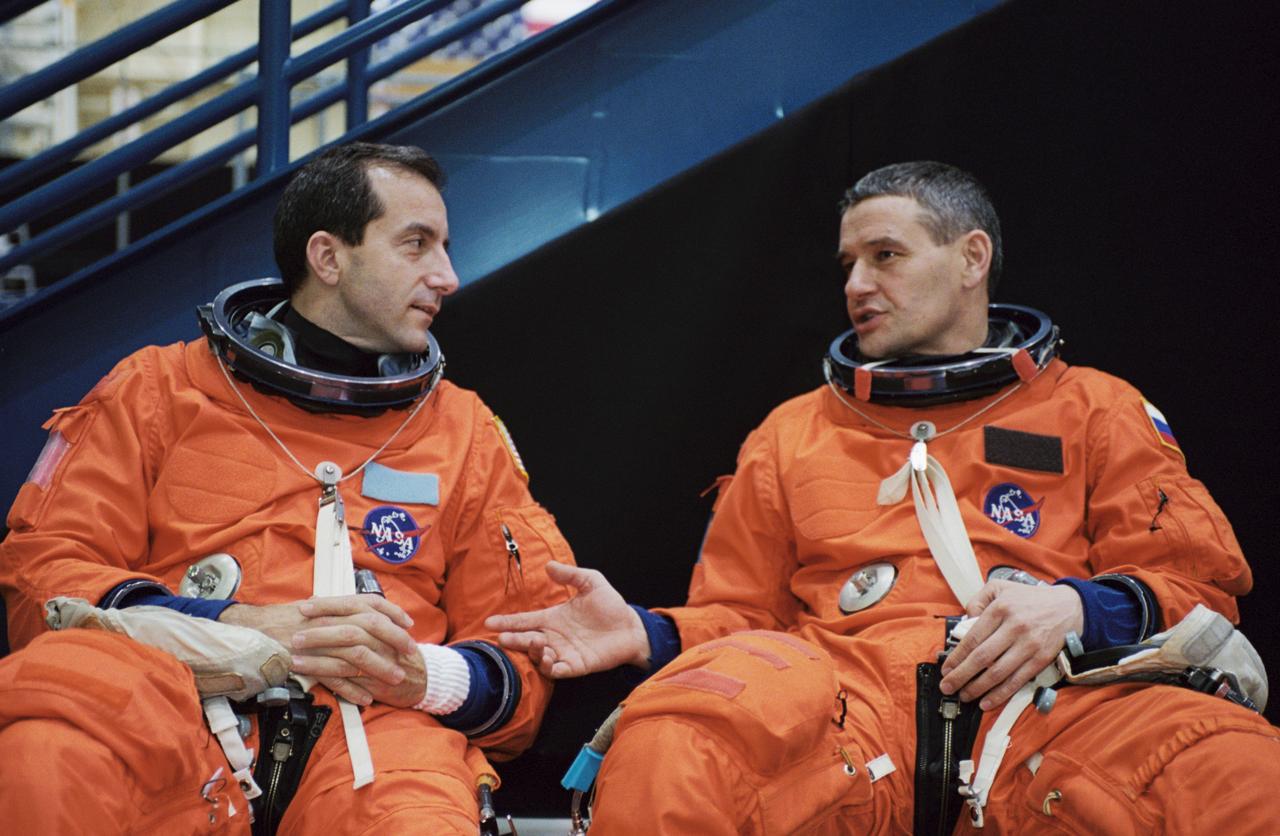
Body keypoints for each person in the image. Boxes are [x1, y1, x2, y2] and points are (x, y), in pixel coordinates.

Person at [487, 161, 1280, 834]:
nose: (858, 284)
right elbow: (744, 621)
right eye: (848, 265)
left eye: (886, 255)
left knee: (1238, 771)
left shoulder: (1096, 409)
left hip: (1055, 701)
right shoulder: (793, 431)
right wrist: (647, 634)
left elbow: (1196, 589)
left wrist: (1076, 609)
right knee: (673, 740)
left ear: (972, 258)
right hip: (844, 709)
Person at [0, 142, 575, 833]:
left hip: (377, 733)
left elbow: (530, 647)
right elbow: (40, 575)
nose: (448, 275)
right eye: (416, 244)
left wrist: (421, 675)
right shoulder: (158, 390)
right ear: (328, 258)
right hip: (169, 700)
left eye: (444, 246)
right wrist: (226, 627)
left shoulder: (462, 430)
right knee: (48, 749)